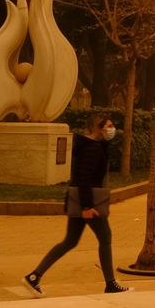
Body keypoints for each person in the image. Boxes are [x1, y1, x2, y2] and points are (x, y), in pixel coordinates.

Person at [23, 112, 131, 297]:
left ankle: (34, 276)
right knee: (105, 238)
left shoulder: (94, 146)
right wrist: (87, 208)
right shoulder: (92, 149)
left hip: (80, 202)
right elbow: (84, 180)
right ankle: (111, 283)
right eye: (108, 126)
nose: (112, 130)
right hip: (88, 203)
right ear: (97, 128)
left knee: (70, 241)